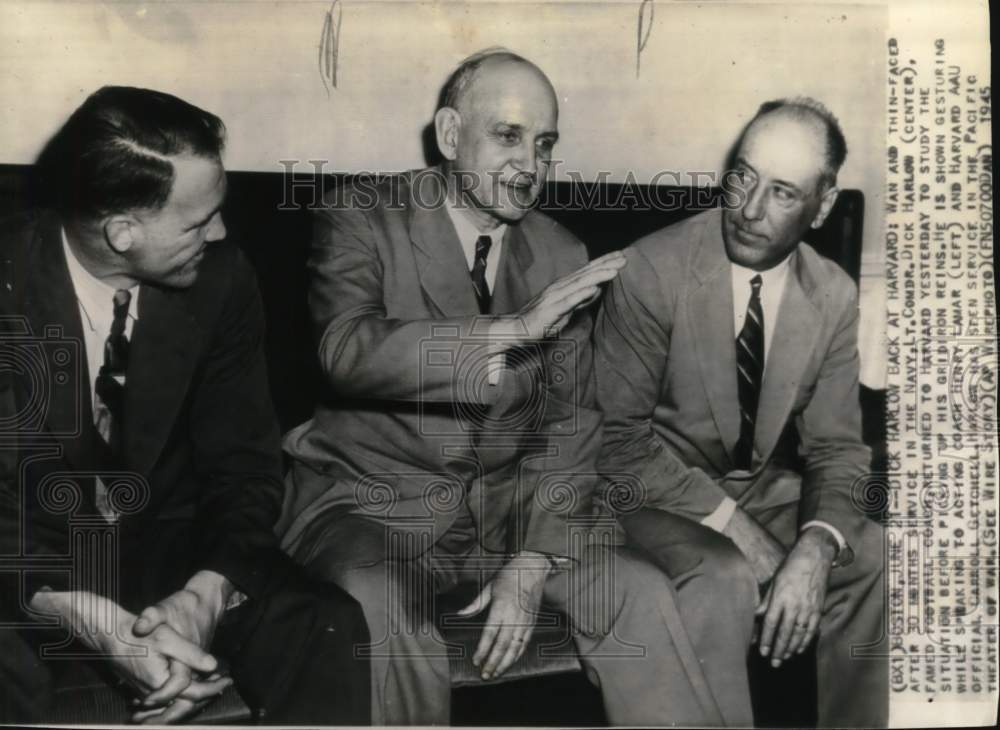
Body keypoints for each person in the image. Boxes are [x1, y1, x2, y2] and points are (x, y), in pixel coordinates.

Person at [277, 48, 752, 726]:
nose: (530, 165)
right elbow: (345, 350)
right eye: (507, 136)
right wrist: (511, 330)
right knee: (385, 616)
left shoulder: (560, 250)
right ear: (449, 135)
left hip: (508, 517)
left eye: (545, 143)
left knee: (640, 591)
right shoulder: (361, 216)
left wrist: (532, 560)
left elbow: (572, 422)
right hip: (371, 508)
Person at [0, 86, 370, 725]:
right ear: (122, 232)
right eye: (198, 221)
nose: (220, 232)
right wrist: (76, 611)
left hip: (165, 541)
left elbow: (247, 466)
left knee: (321, 623)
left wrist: (204, 593)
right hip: (27, 557)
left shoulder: (221, 279)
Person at [594, 97, 887, 727]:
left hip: (752, 490)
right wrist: (736, 527)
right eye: (742, 177)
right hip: (643, 494)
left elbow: (838, 448)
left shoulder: (832, 292)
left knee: (873, 555)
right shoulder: (652, 270)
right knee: (725, 568)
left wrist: (816, 542)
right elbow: (616, 444)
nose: (749, 210)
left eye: (782, 193)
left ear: (823, 206)